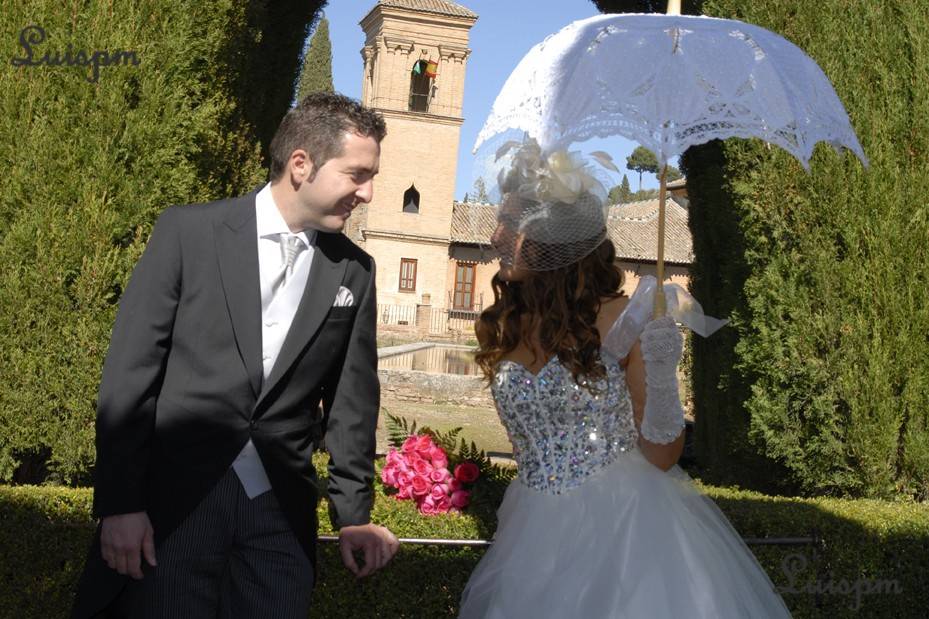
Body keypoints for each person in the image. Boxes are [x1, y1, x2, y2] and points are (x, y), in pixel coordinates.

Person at [71, 92, 399, 619]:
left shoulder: (355, 270)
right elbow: (130, 378)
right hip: (174, 508)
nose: (368, 192)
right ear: (301, 165)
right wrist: (120, 504)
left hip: (281, 518)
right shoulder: (187, 233)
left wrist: (352, 514)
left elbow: (352, 402)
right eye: (357, 174)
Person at [457, 140, 792, 617]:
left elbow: (662, 454)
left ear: (553, 237)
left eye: (510, 223)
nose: (494, 235)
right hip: (529, 530)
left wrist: (660, 369)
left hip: (624, 531)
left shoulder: (626, 319)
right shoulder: (504, 322)